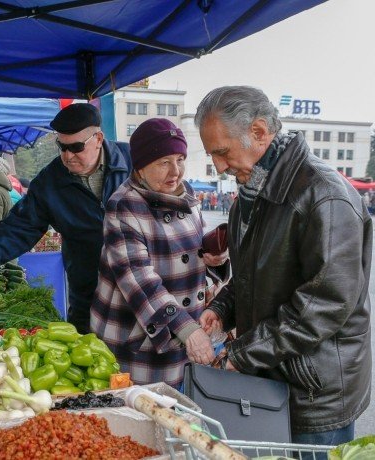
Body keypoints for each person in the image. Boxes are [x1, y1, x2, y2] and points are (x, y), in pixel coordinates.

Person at [195, 86, 371, 447]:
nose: (219, 167)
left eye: (222, 152)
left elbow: (325, 304)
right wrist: (221, 309)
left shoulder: (325, 195)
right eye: (212, 155)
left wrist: (243, 354)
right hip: (269, 375)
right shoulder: (248, 195)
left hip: (314, 390)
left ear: (259, 132)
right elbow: (251, 275)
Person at [0, 103, 132, 333]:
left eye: (77, 147)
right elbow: (22, 224)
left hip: (140, 288)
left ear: (98, 138)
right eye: (62, 147)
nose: (68, 156)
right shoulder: (51, 180)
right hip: (88, 293)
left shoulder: (133, 161)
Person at [91, 119, 228, 388]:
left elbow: (192, 252)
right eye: (164, 162)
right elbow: (139, 279)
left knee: (179, 414)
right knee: (142, 417)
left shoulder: (187, 195)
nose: (175, 171)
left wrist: (213, 262)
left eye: (180, 159)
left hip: (184, 334)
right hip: (140, 340)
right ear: (141, 165)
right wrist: (188, 329)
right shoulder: (124, 206)